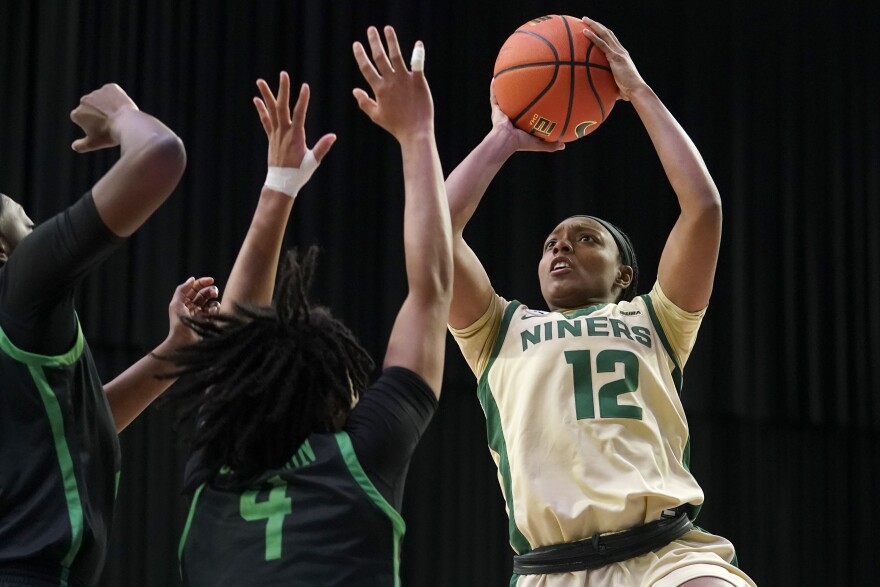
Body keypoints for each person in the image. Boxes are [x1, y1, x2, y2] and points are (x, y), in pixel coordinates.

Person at [446, 17, 756, 587]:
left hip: (667, 555)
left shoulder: (655, 319)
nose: (562, 245)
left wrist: (637, 92)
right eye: (551, 243)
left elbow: (703, 208)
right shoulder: (499, 329)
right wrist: (503, 139)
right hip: (552, 571)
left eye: (586, 238)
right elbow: (434, 235)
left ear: (626, 274)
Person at [165, 25, 452, 586]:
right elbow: (431, 289)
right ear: (340, 397)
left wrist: (279, 185)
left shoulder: (217, 467)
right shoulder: (361, 458)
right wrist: (417, 134)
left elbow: (238, 344)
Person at [0, 86, 220, 587]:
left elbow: (65, 430)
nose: (38, 231)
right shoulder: (19, 287)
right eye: (28, 223)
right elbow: (161, 155)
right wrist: (122, 114)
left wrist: (174, 352)